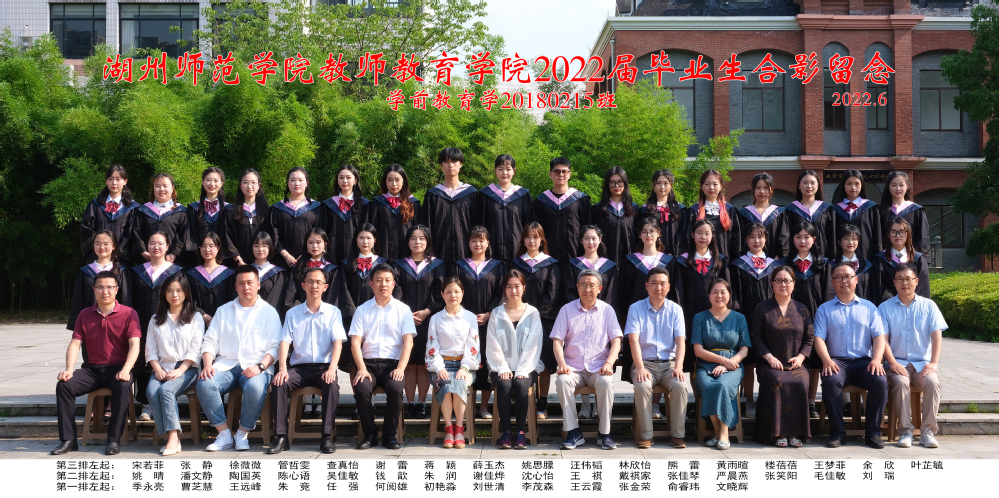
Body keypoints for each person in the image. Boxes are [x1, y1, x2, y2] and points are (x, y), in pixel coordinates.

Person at [52, 271, 141, 456]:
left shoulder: (129, 313)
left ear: (117, 290)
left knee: (123, 385)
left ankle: (113, 440)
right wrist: (69, 369)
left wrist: (126, 369)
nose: (105, 291)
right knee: (64, 386)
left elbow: (135, 345)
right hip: (92, 370)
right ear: (94, 290)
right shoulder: (84, 314)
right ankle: (68, 440)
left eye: (109, 287)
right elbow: (75, 343)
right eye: (100, 287)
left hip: (118, 368)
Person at [197, 265, 282, 451]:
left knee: (255, 386)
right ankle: (224, 434)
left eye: (250, 283)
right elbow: (210, 341)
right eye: (241, 283)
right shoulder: (223, 310)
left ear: (258, 285)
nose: (246, 287)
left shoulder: (269, 312)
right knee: (205, 383)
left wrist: (260, 367)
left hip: (256, 367)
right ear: (235, 286)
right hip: (225, 365)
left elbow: (276, 347)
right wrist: (208, 364)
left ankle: (242, 434)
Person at [269, 267, 347, 455]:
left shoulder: (333, 312)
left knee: (331, 385)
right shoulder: (293, 313)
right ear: (303, 286)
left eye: (318, 282)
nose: (314, 286)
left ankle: (326, 436)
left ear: (325, 287)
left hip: (323, 368)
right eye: (310, 282)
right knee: (279, 383)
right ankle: (281, 436)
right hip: (299, 369)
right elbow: (285, 342)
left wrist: (332, 369)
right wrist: (282, 369)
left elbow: (338, 343)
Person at [813, 261, 889, 449]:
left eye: (847, 277)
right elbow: (818, 339)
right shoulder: (824, 309)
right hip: (837, 362)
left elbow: (879, 336)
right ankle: (838, 432)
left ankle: (873, 432)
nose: (844, 281)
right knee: (830, 380)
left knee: (880, 381)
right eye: (839, 278)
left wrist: (877, 359)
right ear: (832, 282)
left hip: (864, 362)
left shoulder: (869, 307)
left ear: (856, 280)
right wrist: (826, 360)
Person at [552, 269, 623, 450]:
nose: (587, 289)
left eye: (592, 285)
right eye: (583, 285)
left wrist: (609, 364)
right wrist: (561, 364)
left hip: (598, 368)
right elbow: (557, 341)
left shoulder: (607, 310)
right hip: (572, 368)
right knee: (562, 380)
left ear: (600, 288)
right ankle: (573, 431)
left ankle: (604, 433)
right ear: (577, 287)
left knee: (606, 382)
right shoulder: (566, 310)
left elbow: (616, 341)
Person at [878, 263, 946, 448]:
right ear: (894, 282)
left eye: (908, 279)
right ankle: (905, 432)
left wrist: (934, 362)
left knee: (932, 382)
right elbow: (883, 339)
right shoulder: (884, 308)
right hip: (897, 363)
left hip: (922, 363)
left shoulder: (929, 306)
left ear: (916, 281)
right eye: (900, 279)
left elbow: (936, 335)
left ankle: (927, 432)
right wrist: (892, 362)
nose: (904, 283)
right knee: (901, 383)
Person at [349, 263, 416, 450]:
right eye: (378, 280)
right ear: (371, 284)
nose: (383, 284)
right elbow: (355, 343)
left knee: (395, 388)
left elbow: (408, 342)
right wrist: (361, 368)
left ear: (393, 284)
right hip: (368, 365)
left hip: (392, 365)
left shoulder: (403, 310)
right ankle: (370, 434)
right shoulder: (362, 310)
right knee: (361, 389)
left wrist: (400, 369)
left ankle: (389, 435)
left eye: (387, 280)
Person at [750, 266, 813, 448]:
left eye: (787, 280)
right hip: (769, 364)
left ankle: (795, 433)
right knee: (777, 381)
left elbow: (809, 338)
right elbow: (756, 337)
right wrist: (769, 357)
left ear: (794, 284)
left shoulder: (802, 310)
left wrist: (801, 358)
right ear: (772, 284)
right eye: (779, 280)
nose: (783, 284)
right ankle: (778, 433)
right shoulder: (762, 308)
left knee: (800, 381)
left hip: (796, 363)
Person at [627, 267, 688, 449]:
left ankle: (677, 435)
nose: (658, 287)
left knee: (680, 385)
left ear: (669, 287)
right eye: (654, 283)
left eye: (662, 284)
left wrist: (678, 367)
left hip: (669, 365)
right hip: (645, 364)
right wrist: (640, 368)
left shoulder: (676, 309)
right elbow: (633, 340)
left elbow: (680, 341)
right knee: (642, 385)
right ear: (646, 285)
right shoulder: (635, 308)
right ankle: (647, 435)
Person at [563, 225, 619, 420]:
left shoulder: (609, 266)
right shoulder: (573, 265)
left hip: (601, 316)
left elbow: (611, 293)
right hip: (579, 315)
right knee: (580, 355)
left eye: (594, 238)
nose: (590, 242)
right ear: (581, 241)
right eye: (586, 238)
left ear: (600, 240)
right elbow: (570, 291)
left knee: (597, 357)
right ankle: (585, 405)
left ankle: (597, 405)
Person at [145, 272, 205, 456]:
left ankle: (172, 437)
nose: (175, 295)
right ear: (164, 294)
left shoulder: (195, 317)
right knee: (151, 391)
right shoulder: (156, 319)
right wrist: (157, 369)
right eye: (170, 290)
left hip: (187, 369)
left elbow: (196, 349)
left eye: (179, 290)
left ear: (186, 293)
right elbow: (150, 349)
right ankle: (170, 433)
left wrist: (180, 370)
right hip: (162, 368)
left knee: (165, 390)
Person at [130, 232, 186, 422]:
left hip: (167, 324)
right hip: (140, 321)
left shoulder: (175, 271)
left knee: (165, 358)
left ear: (167, 247)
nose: (156, 247)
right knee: (144, 360)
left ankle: (167, 398)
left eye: (160, 243)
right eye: (152, 243)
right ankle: (146, 404)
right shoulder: (137, 271)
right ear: (147, 246)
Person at [391, 225, 445, 419]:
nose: (417, 242)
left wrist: (427, 311)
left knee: (423, 363)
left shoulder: (437, 265)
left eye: (422, 238)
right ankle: (410, 403)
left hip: (428, 320)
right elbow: (395, 291)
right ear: (408, 242)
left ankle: (421, 403)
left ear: (427, 241)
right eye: (413, 238)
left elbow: (439, 291)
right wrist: (406, 314)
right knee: (408, 362)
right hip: (404, 320)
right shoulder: (398, 265)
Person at [452, 226, 506, 419]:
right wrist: (465, 314)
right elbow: (455, 291)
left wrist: (489, 313)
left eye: (481, 240)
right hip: (464, 321)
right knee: (467, 359)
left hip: (489, 323)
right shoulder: (459, 266)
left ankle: (483, 407)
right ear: (468, 243)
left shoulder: (497, 266)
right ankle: (468, 405)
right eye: (474, 240)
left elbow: (501, 292)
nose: (477, 244)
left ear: (487, 243)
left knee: (487, 361)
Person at [486, 270, 543, 450]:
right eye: (509, 287)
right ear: (504, 289)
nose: (513, 291)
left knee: (520, 384)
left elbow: (534, 344)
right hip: (499, 366)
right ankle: (505, 432)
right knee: (504, 384)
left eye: (517, 286)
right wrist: (502, 368)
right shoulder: (496, 313)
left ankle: (520, 432)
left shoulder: (532, 313)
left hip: (528, 366)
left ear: (524, 288)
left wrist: (523, 370)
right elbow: (492, 344)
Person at [781, 221, 832, 418]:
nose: (803, 241)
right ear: (792, 239)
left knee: (814, 360)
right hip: (791, 318)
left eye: (807, 237)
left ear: (814, 239)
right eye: (798, 237)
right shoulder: (785, 265)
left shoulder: (823, 264)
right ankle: (790, 401)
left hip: (816, 316)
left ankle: (810, 402)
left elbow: (827, 293)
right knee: (792, 355)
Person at [692, 279, 750, 450]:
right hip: (706, 365)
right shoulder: (700, 318)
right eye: (715, 292)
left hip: (733, 365)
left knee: (723, 385)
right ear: (709, 295)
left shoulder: (739, 318)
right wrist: (722, 361)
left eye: (723, 292)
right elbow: (698, 350)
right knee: (708, 385)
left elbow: (744, 349)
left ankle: (723, 433)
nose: (719, 296)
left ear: (729, 295)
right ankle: (717, 432)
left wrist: (727, 364)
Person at [511, 222, 561, 419]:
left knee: (544, 360)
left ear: (542, 240)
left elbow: (553, 293)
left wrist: (538, 314)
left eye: (536, 237)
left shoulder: (551, 264)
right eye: (528, 237)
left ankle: (543, 401)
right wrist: (520, 313)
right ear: (523, 240)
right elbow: (511, 289)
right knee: (520, 358)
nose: (532, 240)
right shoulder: (516, 263)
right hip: (518, 318)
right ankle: (522, 399)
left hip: (543, 320)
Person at [730, 222, 780, 412]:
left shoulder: (774, 266)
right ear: (746, 240)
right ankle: (750, 401)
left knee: (769, 360)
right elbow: (735, 294)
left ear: (766, 239)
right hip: (746, 318)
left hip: (770, 320)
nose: (756, 241)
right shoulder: (738, 265)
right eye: (752, 237)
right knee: (749, 361)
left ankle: (769, 400)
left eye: (760, 236)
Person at [425, 277, 480, 449]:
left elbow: (473, 345)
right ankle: (449, 429)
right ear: (442, 294)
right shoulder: (436, 319)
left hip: (464, 366)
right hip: (441, 366)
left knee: (459, 382)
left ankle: (459, 429)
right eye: (448, 292)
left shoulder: (470, 318)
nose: (452, 295)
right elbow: (432, 346)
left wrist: (465, 367)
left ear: (462, 293)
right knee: (446, 383)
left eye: (456, 291)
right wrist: (439, 368)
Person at [673, 219, 730, 374]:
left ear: (712, 236)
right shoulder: (683, 261)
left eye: (707, 233)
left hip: (715, 316)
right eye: (699, 233)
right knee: (693, 358)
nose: (703, 237)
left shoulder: (720, 261)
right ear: (692, 235)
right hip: (690, 315)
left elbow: (726, 289)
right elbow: (678, 290)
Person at [533, 157, 590, 283]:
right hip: (548, 258)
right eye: (557, 171)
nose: (561, 174)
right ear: (550, 174)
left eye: (564, 171)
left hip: (575, 257)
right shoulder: (541, 201)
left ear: (569, 174)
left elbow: (587, 228)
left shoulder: (581, 200)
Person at [68, 230, 132, 339]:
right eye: (97, 243)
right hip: (89, 325)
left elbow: (125, 300)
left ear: (113, 246)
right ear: (93, 246)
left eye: (106, 244)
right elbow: (78, 300)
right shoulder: (85, 272)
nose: (102, 247)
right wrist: (77, 327)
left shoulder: (121, 272)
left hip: (116, 326)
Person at [422, 148, 479, 268]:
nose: (450, 165)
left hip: (465, 251)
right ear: (441, 166)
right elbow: (426, 225)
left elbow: (476, 224)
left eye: (454, 161)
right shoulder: (433, 194)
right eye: (446, 161)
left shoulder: (471, 193)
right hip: (439, 252)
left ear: (461, 164)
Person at [478, 155, 533, 268]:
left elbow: (529, 225)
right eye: (500, 169)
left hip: (517, 251)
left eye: (508, 169)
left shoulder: (523, 195)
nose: (504, 173)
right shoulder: (485, 195)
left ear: (514, 171)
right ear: (495, 171)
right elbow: (480, 225)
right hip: (491, 251)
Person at [80, 164, 139, 266]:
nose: (114, 183)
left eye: (118, 179)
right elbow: (86, 230)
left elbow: (133, 233)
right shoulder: (95, 205)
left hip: (122, 259)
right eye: (110, 179)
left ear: (125, 181)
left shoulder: (132, 208)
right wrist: (101, 246)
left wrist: (116, 250)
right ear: (106, 181)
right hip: (98, 257)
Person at [131, 173, 192, 264]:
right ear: (153, 188)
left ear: (172, 188)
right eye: (157, 186)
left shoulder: (181, 211)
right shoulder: (143, 210)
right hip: (147, 262)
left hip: (172, 263)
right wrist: (144, 253)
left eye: (165, 186)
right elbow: (136, 232)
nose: (161, 189)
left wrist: (173, 255)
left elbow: (183, 235)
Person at [283, 228, 347, 313]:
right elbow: (291, 292)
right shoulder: (298, 267)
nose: (314, 246)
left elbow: (333, 294)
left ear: (325, 244)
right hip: (301, 312)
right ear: (306, 245)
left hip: (324, 314)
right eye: (311, 243)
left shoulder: (332, 269)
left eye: (318, 242)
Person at [681, 169, 740, 262]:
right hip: (700, 262)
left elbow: (737, 238)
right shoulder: (694, 211)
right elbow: (687, 238)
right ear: (701, 186)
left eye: (715, 184)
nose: (711, 187)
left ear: (721, 186)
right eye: (707, 184)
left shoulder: (730, 210)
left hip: (726, 261)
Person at [365, 164, 421, 262]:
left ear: (403, 181)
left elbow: (418, 230)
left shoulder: (413, 203)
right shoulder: (377, 203)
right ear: (385, 182)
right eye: (390, 180)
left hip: (407, 254)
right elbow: (371, 229)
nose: (394, 184)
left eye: (397, 180)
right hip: (382, 253)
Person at [269, 167, 321, 269]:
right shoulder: (277, 208)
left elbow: (320, 234)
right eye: (292, 180)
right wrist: (286, 255)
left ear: (306, 183)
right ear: (288, 184)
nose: (296, 183)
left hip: (310, 261)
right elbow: (273, 235)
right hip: (282, 262)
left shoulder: (317, 208)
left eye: (300, 180)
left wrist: (306, 254)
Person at [318, 164, 369, 265]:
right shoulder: (328, 205)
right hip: (332, 254)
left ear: (355, 180)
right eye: (341, 178)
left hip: (357, 254)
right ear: (337, 180)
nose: (344, 181)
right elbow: (323, 231)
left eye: (348, 177)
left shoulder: (365, 205)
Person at [188, 167, 237, 266]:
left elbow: (232, 236)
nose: (212, 184)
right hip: (198, 260)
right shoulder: (193, 208)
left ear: (221, 183)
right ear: (203, 182)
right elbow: (190, 234)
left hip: (224, 260)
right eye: (208, 180)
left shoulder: (229, 209)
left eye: (216, 180)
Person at [874, 219, 931, 303]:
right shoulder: (880, 259)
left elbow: (923, 287)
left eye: (902, 231)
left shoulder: (918, 259)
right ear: (888, 235)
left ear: (908, 234)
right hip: (888, 306)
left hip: (913, 305)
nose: (898, 235)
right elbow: (878, 287)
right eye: (893, 232)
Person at [782, 170, 835, 259]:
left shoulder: (827, 209)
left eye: (813, 183)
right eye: (805, 182)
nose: (809, 186)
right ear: (799, 186)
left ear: (818, 186)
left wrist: (833, 258)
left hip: (822, 257)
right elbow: (786, 236)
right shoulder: (790, 209)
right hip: (797, 259)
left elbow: (832, 235)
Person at [832, 169, 882, 261]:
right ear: (843, 185)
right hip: (841, 261)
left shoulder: (871, 208)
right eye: (849, 183)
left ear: (862, 185)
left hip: (867, 259)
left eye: (857, 184)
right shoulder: (834, 209)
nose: (853, 187)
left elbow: (877, 235)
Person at [591, 167, 637, 264]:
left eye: (620, 182)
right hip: (604, 261)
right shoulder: (597, 209)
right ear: (607, 184)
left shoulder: (634, 209)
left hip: (630, 260)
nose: (616, 186)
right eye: (612, 182)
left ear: (625, 183)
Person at [227, 169, 271, 267]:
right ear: (240, 186)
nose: (249, 186)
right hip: (237, 265)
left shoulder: (267, 212)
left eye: (253, 183)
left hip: (263, 265)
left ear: (259, 186)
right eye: (245, 182)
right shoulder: (231, 212)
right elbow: (227, 238)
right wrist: (239, 261)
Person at [186, 232, 236, 318]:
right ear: (199, 249)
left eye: (211, 246)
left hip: (223, 319)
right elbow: (189, 299)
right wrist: (202, 315)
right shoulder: (192, 274)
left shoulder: (229, 274)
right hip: (198, 320)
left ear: (218, 248)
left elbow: (232, 300)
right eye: (203, 246)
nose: (207, 249)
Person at [737, 173, 788, 257]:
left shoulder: (779, 213)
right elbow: (740, 239)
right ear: (753, 190)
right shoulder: (744, 213)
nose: (762, 191)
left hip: (774, 261)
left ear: (771, 190)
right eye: (758, 188)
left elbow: (784, 237)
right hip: (749, 261)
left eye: (765, 188)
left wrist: (778, 259)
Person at [880, 171, 930, 254]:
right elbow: (878, 237)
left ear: (907, 187)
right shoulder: (881, 211)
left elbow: (923, 237)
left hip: (910, 257)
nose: (898, 188)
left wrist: (915, 257)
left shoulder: (916, 210)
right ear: (888, 187)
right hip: (887, 258)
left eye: (901, 185)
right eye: (894, 185)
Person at [638, 169, 685, 256]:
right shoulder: (645, 210)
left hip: (674, 256)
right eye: (658, 183)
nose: (662, 187)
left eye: (666, 183)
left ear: (671, 185)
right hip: (651, 256)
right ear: (653, 185)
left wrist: (676, 253)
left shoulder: (680, 210)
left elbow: (683, 234)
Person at [249, 232, 289, 317]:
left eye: (264, 246)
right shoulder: (244, 273)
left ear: (270, 248)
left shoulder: (278, 273)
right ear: (251, 248)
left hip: (269, 318)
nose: (260, 249)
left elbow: (276, 298)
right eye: (256, 246)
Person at [835, 224, 875, 301]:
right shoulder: (832, 266)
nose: (850, 242)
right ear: (839, 241)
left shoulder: (867, 265)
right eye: (846, 238)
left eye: (854, 239)